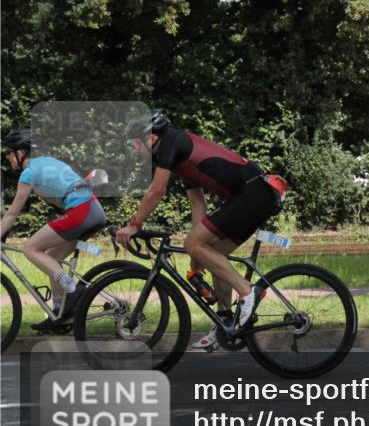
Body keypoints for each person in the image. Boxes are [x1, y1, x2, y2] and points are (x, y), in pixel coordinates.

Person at [118, 110, 282, 350]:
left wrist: (134, 224)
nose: (133, 148)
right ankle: (226, 322)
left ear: (151, 138)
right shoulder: (181, 158)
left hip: (253, 192)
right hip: (253, 195)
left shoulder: (171, 143)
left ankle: (248, 292)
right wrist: (198, 254)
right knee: (211, 252)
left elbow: (156, 190)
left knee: (193, 244)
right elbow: (198, 205)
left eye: (134, 142)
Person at [0, 129, 107, 331]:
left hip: (82, 211)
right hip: (91, 209)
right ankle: (61, 314)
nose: (7, 157)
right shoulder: (47, 162)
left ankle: (73, 290)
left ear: (20, 152)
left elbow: (12, 213)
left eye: (9, 152)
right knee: (51, 258)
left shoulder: (29, 172)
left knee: (30, 248)